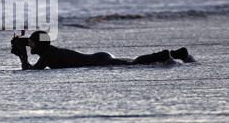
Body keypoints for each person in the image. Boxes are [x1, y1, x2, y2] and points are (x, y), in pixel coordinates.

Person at [11, 31, 195, 70]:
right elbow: (38, 41)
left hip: (98, 62)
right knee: (131, 62)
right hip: (98, 57)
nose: (29, 46)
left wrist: (22, 57)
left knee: (133, 63)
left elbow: (30, 71)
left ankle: (164, 55)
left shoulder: (48, 56)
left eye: (31, 44)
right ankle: (178, 54)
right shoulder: (49, 50)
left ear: (39, 45)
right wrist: (22, 42)